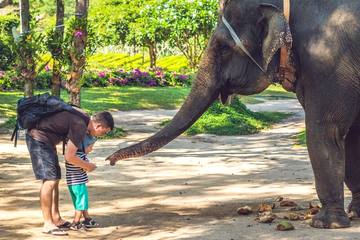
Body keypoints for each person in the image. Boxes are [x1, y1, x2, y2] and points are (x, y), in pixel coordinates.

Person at [25, 110, 114, 236]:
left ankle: (56, 218)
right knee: (49, 180)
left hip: (46, 140)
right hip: (38, 137)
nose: (102, 135)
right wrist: (88, 166)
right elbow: (70, 157)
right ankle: (48, 223)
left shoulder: (83, 121)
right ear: (98, 126)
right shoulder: (80, 125)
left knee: (54, 179)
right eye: (104, 132)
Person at [66, 134, 99, 230]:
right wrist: (92, 166)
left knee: (79, 202)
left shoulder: (70, 155)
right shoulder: (82, 156)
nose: (91, 149)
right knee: (81, 203)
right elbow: (87, 168)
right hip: (79, 184)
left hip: (71, 183)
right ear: (83, 146)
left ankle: (87, 219)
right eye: (90, 147)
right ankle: (75, 222)